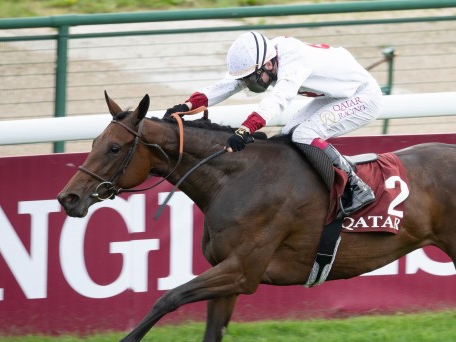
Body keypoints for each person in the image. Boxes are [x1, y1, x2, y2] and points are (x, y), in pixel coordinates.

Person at [164, 31, 383, 217]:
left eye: (253, 78)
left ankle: (357, 188)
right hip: (336, 95)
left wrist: (246, 129)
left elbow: (278, 100)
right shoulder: (267, 57)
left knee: (304, 135)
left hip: (363, 96)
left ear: (268, 64)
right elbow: (228, 85)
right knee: (288, 135)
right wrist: (187, 105)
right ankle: (312, 191)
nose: (250, 83)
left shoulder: (293, 62)